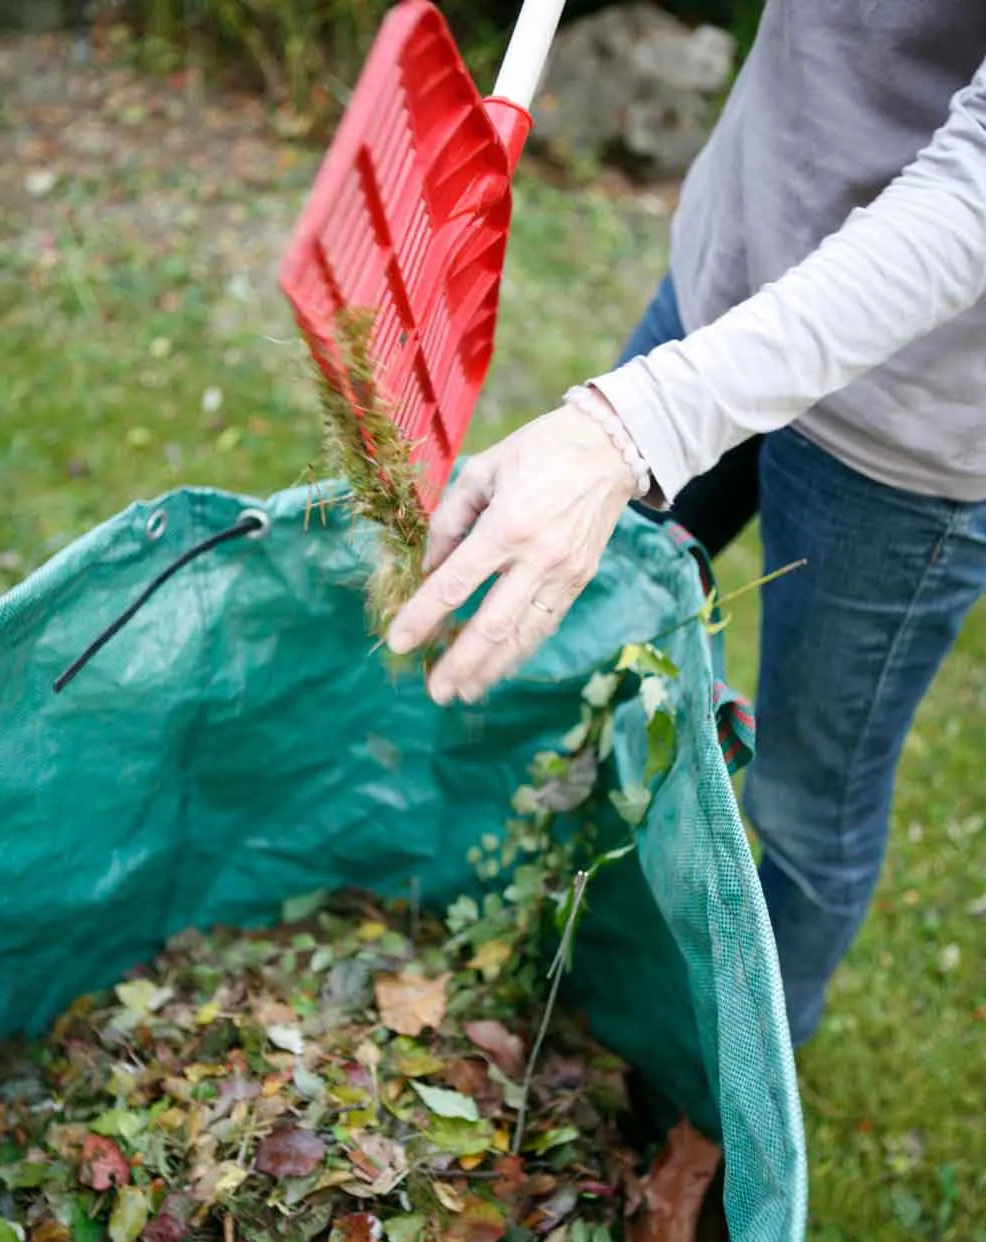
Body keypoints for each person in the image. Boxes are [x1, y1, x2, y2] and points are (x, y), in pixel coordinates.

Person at [386, 1, 986, 1049]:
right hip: (727, 277)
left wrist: (631, 425)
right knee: (576, 655)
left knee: (806, 811)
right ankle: (546, 938)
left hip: (911, 423)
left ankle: (712, 1134)